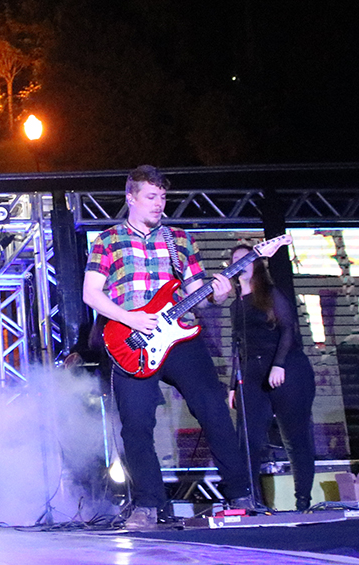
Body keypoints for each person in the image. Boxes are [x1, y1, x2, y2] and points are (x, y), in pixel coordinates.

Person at [83, 165, 252, 529]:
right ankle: (148, 504)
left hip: (180, 336)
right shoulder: (107, 241)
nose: (158, 204)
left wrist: (218, 295)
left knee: (213, 409)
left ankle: (240, 493)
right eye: (150, 196)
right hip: (132, 340)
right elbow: (91, 294)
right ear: (131, 198)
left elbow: (196, 297)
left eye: (162, 197)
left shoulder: (179, 239)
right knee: (136, 425)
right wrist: (129, 318)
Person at [227, 243, 317, 511]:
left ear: (256, 264)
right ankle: (253, 500)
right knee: (249, 439)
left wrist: (278, 365)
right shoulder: (235, 306)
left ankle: (303, 501)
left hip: (287, 368)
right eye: (234, 260)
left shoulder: (270, 294)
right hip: (252, 374)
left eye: (245, 259)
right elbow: (239, 346)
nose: (239, 263)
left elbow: (288, 329)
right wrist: (233, 385)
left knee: (295, 437)